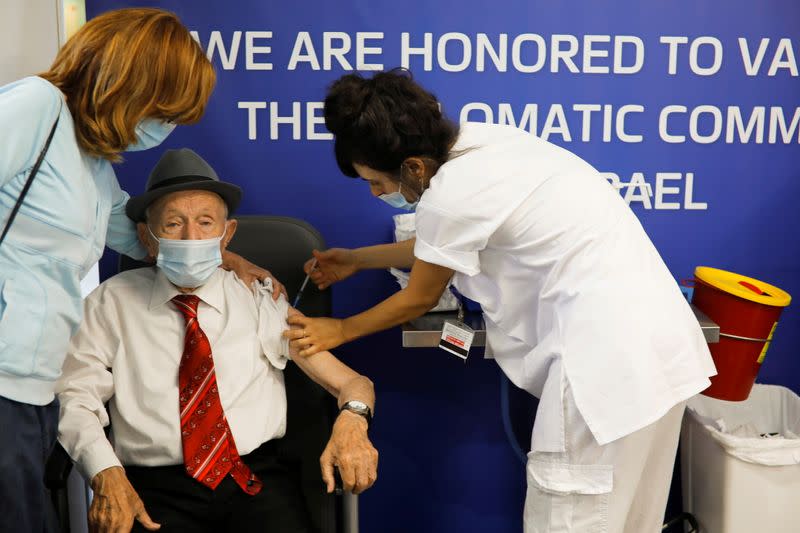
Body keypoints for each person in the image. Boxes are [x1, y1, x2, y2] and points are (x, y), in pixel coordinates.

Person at [284, 70, 716, 533]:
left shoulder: (451, 195)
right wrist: (357, 259)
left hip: (602, 373)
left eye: (376, 182)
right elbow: (444, 243)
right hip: (659, 361)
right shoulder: (486, 146)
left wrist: (341, 328)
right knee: (632, 522)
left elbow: (421, 294)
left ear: (413, 167)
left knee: (571, 521)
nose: (377, 194)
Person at [0, 9, 283, 531]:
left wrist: (224, 255)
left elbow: (140, 235)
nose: (166, 127)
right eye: (167, 111)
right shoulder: (36, 108)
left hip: (33, 390)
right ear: (130, 83)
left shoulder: (91, 162)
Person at [56, 148, 378, 533]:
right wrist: (104, 472)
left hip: (254, 480)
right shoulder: (111, 301)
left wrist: (353, 420)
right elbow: (76, 396)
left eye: (206, 223)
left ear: (228, 235)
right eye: (173, 224)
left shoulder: (261, 298)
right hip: (154, 490)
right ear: (147, 236)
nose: (192, 237)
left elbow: (352, 383)